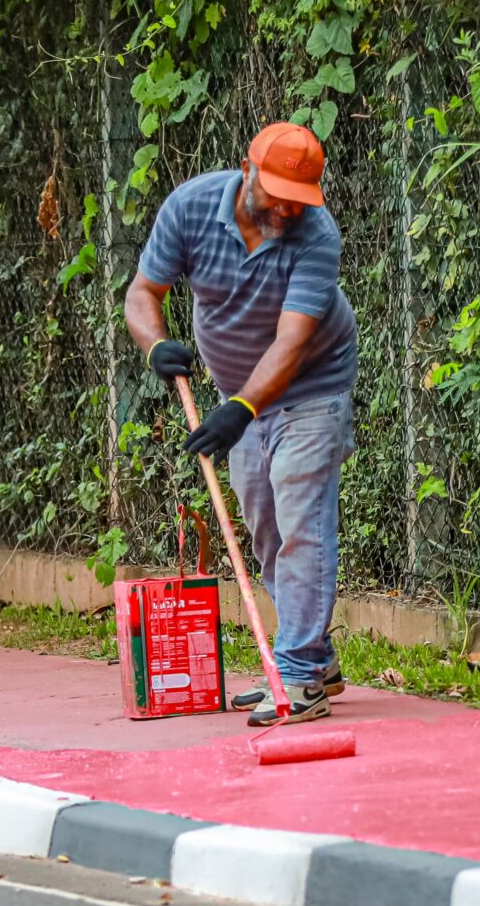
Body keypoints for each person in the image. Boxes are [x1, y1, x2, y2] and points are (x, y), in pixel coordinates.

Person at [124, 122, 357, 726]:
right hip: (242, 396)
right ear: (248, 170)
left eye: (298, 199)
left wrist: (241, 409)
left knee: (301, 525)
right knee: (267, 532)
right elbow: (143, 293)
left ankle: (299, 676)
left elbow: (291, 343)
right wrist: (155, 345)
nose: (286, 209)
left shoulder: (316, 234)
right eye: (277, 193)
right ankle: (315, 656)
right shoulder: (191, 207)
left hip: (311, 388)